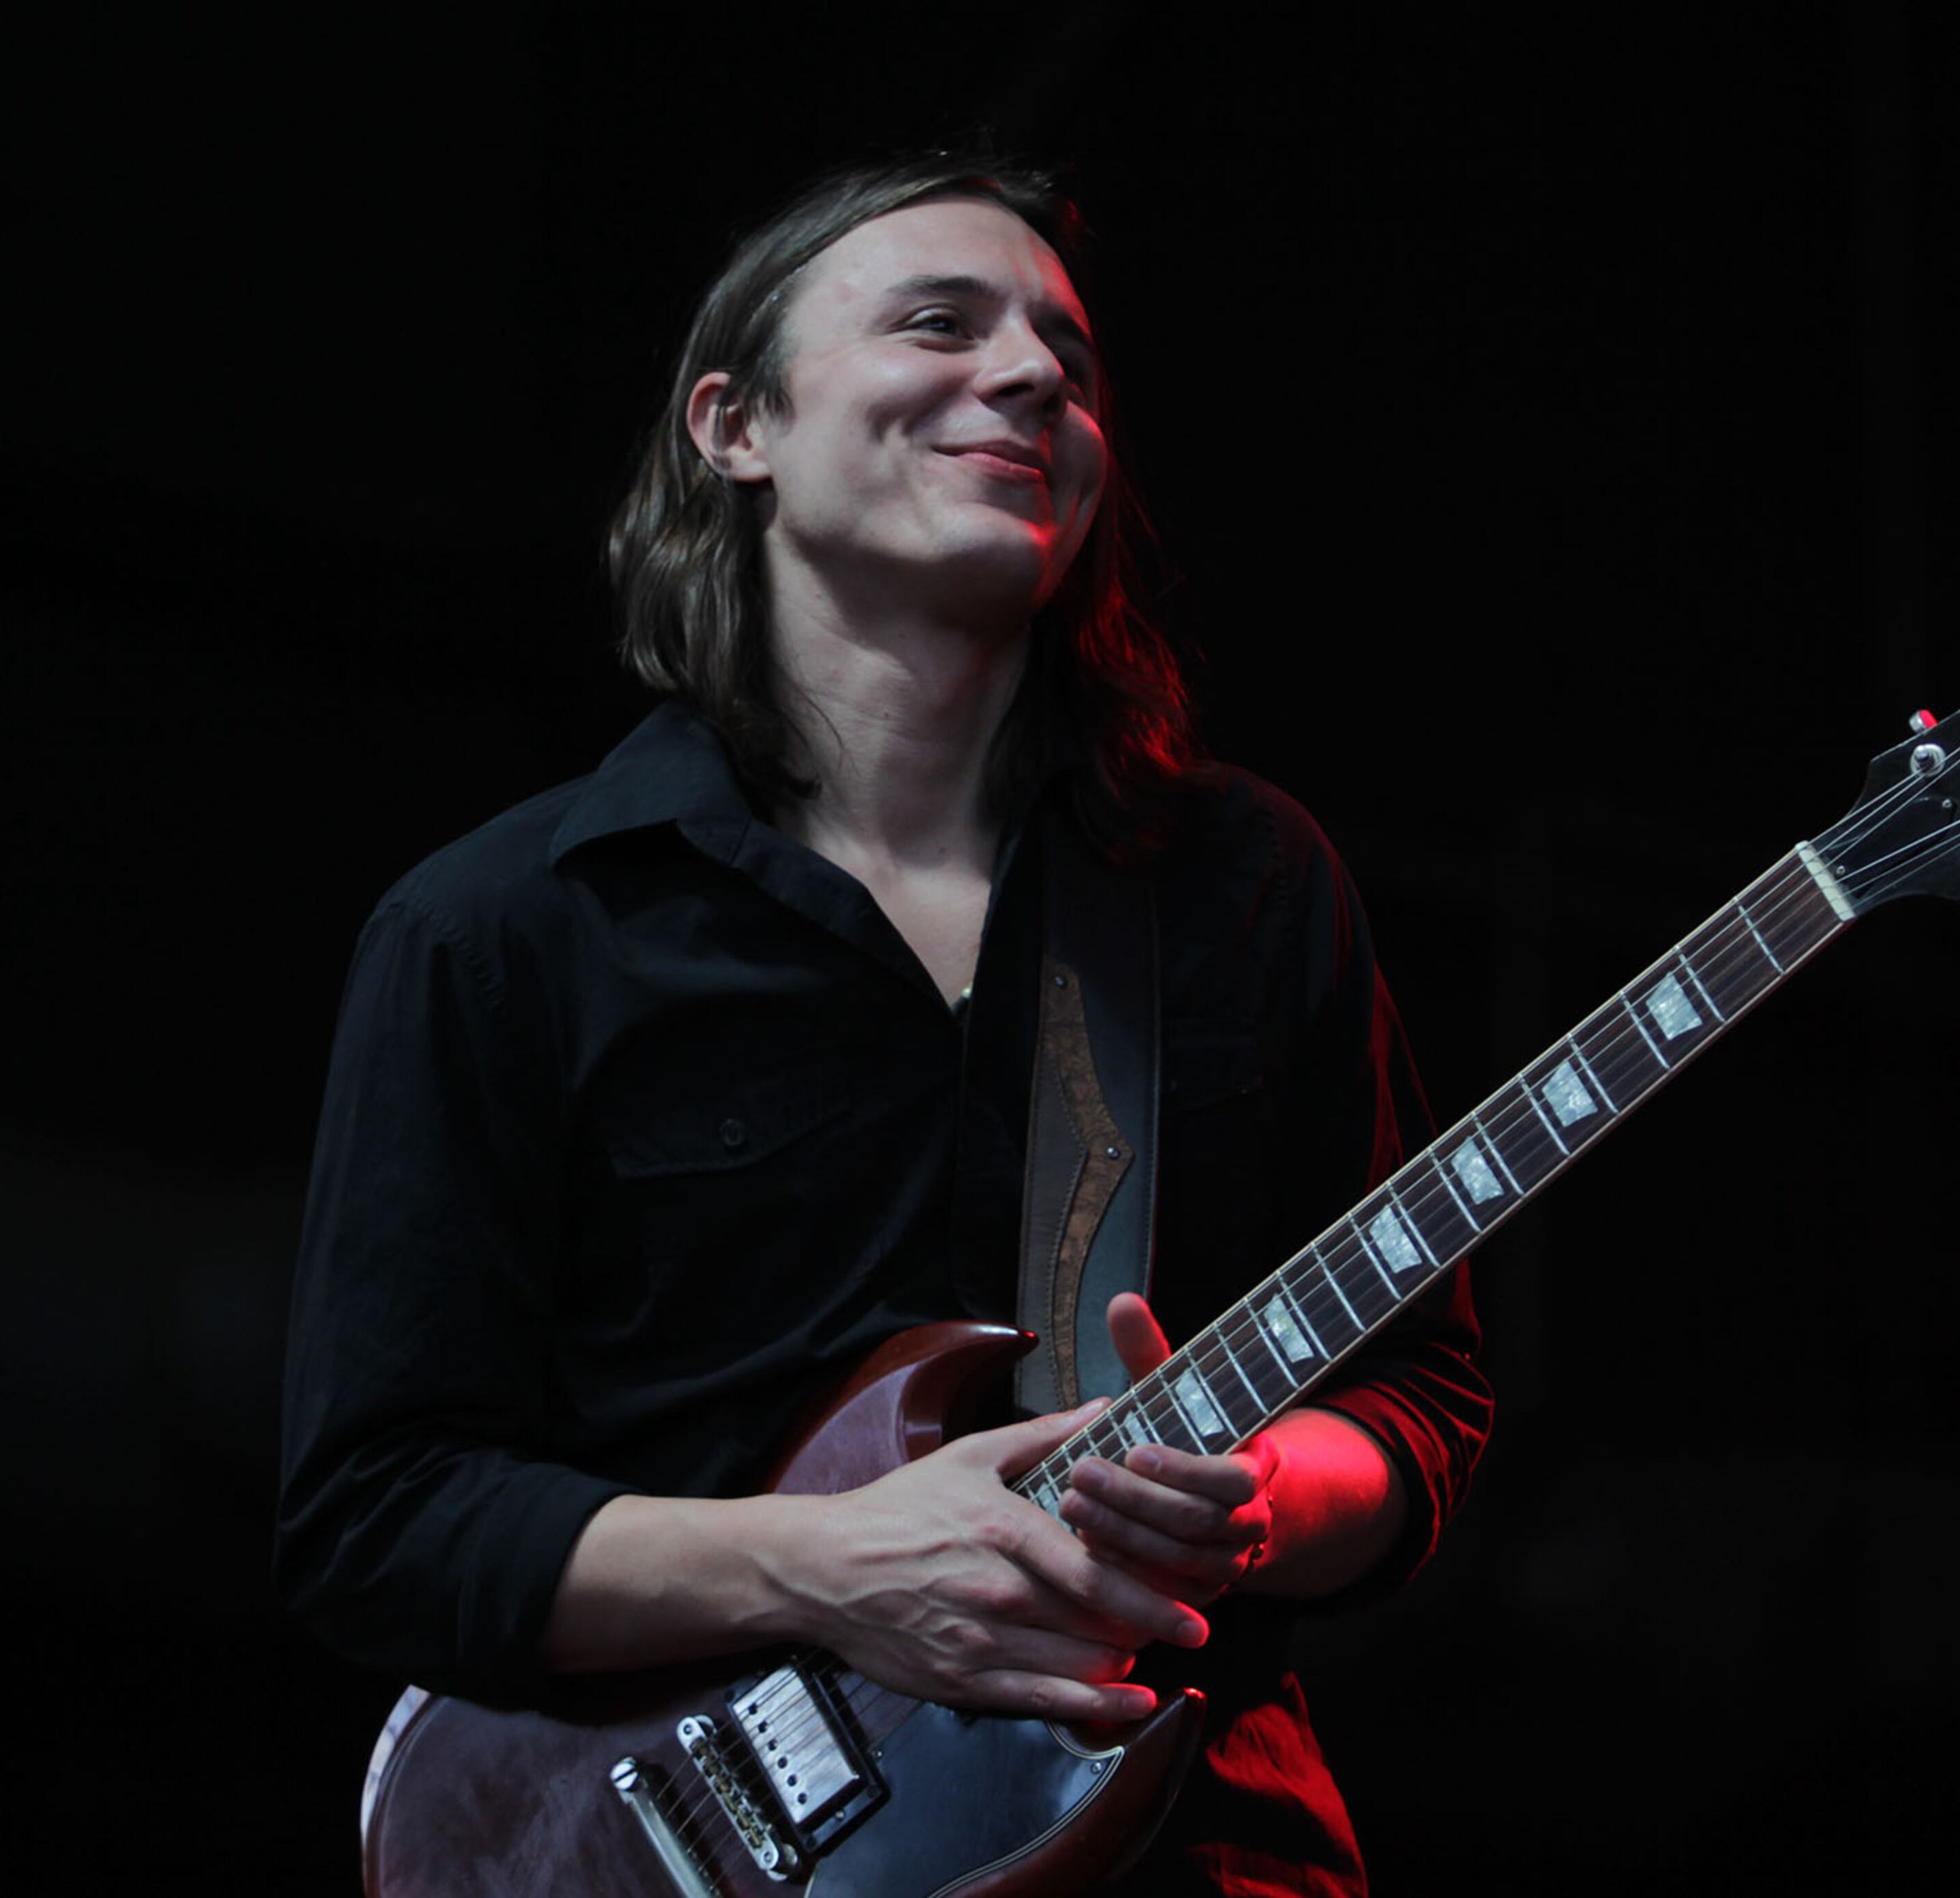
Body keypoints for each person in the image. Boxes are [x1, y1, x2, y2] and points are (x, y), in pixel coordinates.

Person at [276, 153, 1489, 1895]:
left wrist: (1267, 1494)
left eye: (1070, 359)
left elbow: (1420, 1391)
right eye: (940, 322)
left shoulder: (1238, 885)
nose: (1034, 377)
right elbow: (380, 1517)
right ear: (736, 426)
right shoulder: (507, 930)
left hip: (1189, 1846)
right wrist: (833, 1564)